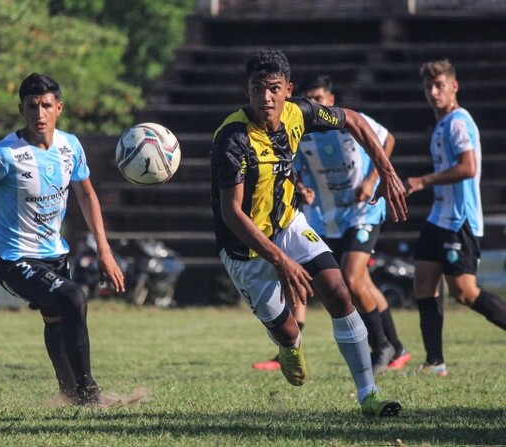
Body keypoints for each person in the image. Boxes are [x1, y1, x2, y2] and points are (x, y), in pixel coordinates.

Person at [211, 48, 407, 416]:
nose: (265, 98)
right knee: (287, 331)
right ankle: (289, 347)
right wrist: (280, 260)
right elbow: (232, 213)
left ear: (288, 89)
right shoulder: (232, 139)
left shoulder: (299, 112)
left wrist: (388, 172)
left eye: (273, 88)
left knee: (337, 289)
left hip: (288, 224)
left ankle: (369, 395)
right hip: (244, 246)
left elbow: (354, 120)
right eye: (257, 88)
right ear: (246, 89)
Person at [0, 73, 142, 407]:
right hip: (13, 259)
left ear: (59, 108)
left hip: (55, 254)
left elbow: (86, 193)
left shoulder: (70, 146)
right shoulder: (5, 155)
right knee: (73, 298)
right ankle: (90, 394)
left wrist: (104, 250)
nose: (39, 113)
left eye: (46, 106)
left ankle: (68, 393)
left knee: (57, 315)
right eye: (32, 106)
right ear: (21, 109)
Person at [253, 75, 412, 375]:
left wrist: (372, 179)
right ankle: (397, 347)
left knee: (351, 279)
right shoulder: (300, 131)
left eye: (320, 98)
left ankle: (381, 348)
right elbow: (291, 167)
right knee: (359, 283)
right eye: (309, 99)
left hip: (363, 212)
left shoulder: (349, 123)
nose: (315, 104)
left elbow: (387, 138)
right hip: (328, 218)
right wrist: (301, 188)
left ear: (331, 100)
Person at [405, 59, 506, 376]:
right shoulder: (441, 124)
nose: (433, 92)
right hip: (439, 218)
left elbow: (468, 167)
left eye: (440, 85)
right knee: (423, 280)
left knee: (464, 293)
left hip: (460, 220)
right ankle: (435, 362)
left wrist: (423, 181)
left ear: (454, 87)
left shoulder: (459, 122)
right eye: (428, 87)